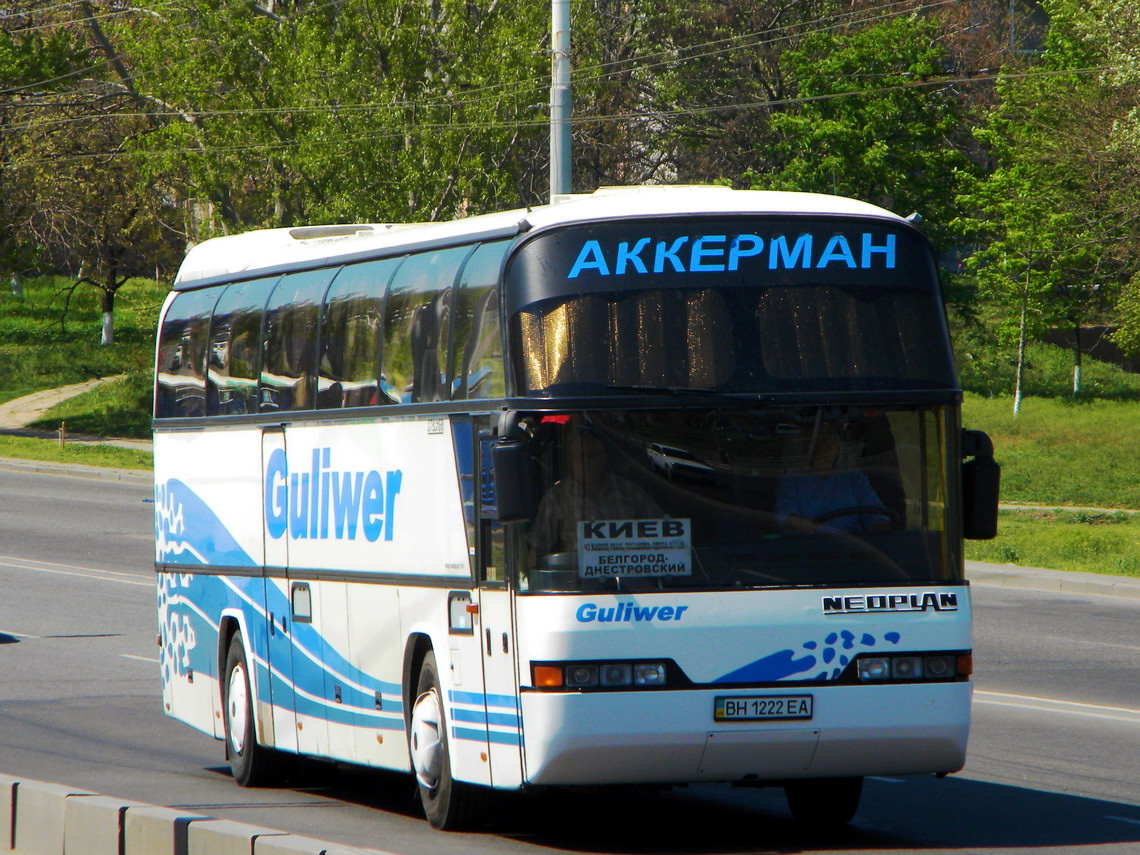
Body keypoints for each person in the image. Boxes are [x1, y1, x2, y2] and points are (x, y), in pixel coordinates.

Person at [530, 422, 663, 557]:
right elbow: (537, 550)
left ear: (603, 457)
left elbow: (664, 532)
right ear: (571, 459)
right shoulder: (556, 497)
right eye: (580, 456)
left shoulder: (630, 492)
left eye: (592, 456)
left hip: (626, 573)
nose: (586, 462)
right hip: (575, 575)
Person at [774, 424, 891, 533]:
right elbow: (784, 510)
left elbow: (874, 509)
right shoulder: (792, 478)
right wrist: (796, 521)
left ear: (837, 448)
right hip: (806, 545)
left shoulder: (854, 477)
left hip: (853, 545)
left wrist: (879, 522)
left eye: (827, 442)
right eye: (815, 443)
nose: (821, 449)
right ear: (806, 448)